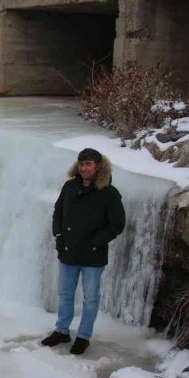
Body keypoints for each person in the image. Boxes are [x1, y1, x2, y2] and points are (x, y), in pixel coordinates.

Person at [41, 148, 125, 355]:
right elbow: (58, 213)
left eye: (88, 164)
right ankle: (62, 331)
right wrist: (59, 236)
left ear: (98, 166)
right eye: (81, 164)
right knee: (65, 294)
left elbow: (117, 224)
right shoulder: (70, 187)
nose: (84, 168)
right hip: (68, 251)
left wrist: (96, 242)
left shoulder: (109, 193)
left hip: (93, 255)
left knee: (90, 298)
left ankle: (83, 336)